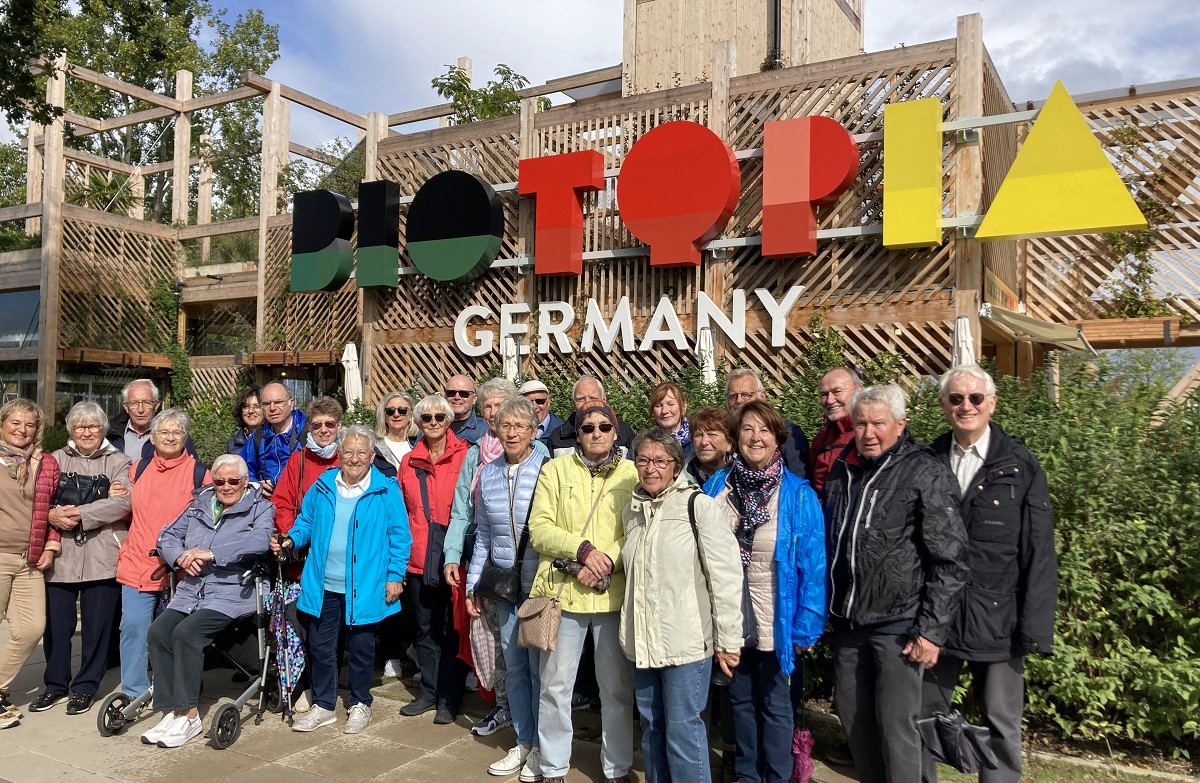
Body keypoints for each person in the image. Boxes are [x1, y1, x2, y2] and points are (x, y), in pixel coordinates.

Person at [824, 384, 968, 783]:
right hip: (850, 624)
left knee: (897, 729)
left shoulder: (924, 471)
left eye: (878, 424)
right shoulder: (844, 468)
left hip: (899, 625)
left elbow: (951, 559)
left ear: (901, 424)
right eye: (861, 423)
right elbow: (831, 543)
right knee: (854, 721)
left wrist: (932, 631)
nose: (868, 433)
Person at [921, 366, 1057, 783]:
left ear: (992, 403)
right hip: (938, 618)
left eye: (975, 398)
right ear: (944, 404)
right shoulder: (929, 459)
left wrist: (1033, 628)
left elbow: (1038, 549)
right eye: (957, 398)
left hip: (999, 617)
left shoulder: (1019, 466)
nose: (967, 406)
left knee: (1001, 725)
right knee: (923, 717)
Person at [704, 400, 827, 783]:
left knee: (776, 708)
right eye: (747, 429)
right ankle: (746, 777)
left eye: (764, 431)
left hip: (778, 618)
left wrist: (806, 626)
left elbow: (813, 564)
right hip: (731, 620)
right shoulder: (716, 487)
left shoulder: (798, 494)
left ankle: (777, 776)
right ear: (735, 438)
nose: (755, 438)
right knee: (739, 704)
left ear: (777, 440)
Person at [622, 429, 744, 783]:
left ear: (676, 467)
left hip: (686, 644)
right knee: (652, 729)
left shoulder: (698, 506)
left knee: (683, 734)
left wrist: (728, 639)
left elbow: (724, 577)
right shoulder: (633, 510)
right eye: (643, 460)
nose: (650, 469)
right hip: (642, 644)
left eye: (660, 461)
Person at [273, 426, 411, 735]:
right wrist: (291, 540)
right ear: (340, 454)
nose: (354, 458)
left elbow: (400, 538)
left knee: (361, 650)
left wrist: (395, 576)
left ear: (372, 457)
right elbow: (305, 522)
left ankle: (360, 703)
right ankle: (323, 706)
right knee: (321, 648)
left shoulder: (386, 490)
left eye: (362, 452)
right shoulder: (324, 484)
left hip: (365, 585)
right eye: (348, 452)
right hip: (324, 584)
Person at [528, 404, 639, 783]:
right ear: (577, 432)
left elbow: (637, 530)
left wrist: (606, 558)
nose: (596, 432)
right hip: (565, 594)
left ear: (615, 429)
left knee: (616, 691)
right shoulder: (554, 470)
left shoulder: (633, 473)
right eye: (587, 426)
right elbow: (540, 528)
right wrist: (584, 551)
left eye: (604, 426)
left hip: (612, 595)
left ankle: (617, 766)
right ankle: (554, 765)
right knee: (555, 687)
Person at [138, 454, 275, 748]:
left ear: (244, 480)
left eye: (233, 481)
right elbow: (167, 535)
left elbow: (260, 542)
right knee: (159, 632)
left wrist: (211, 554)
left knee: (187, 634)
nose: (226, 486)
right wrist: (180, 557)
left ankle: (189, 715)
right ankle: (171, 710)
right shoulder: (199, 503)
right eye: (220, 481)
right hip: (192, 590)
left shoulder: (259, 508)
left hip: (233, 591)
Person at [445, 377, 549, 737]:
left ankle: (542, 747)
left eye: (521, 426)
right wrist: (474, 585)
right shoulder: (486, 472)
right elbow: (485, 536)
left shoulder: (547, 469)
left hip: (540, 584)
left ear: (534, 431)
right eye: (506, 425)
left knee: (541, 670)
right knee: (515, 665)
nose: (513, 432)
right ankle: (522, 738)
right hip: (504, 585)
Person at [32, 402, 132, 717]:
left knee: (97, 628)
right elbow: (38, 500)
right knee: (57, 627)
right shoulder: (53, 460)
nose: (86, 432)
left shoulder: (120, 461)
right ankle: (55, 685)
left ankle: (86, 687)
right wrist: (51, 514)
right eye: (79, 427)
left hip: (103, 554)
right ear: (71, 430)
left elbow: (123, 503)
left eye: (92, 426)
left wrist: (76, 514)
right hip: (60, 555)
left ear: (103, 429)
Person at [115, 409, 210, 702]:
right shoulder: (138, 469)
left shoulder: (200, 474)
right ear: (153, 437)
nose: (170, 437)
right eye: (164, 432)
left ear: (185, 437)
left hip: (181, 567)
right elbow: (125, 507)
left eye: (177, 432)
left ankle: (178, 686)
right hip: (138, 560)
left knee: (176, 631)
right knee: (133, 626)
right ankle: (134, 690)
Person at [398, 394, 470, 724]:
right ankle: (428, 690)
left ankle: (448, 697)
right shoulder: (409, 462)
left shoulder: (466, 456)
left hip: (453, 558)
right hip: (418, 557)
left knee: (451, 629)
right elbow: (401, 513)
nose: (433, 423)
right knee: (424, 629)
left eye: (440, 417)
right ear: (418, 422)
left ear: (450, 419)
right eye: (426, 418)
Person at [0, 399, 61, 729]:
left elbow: (53, 508)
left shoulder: (46, 463)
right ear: (2, 423)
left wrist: (51, 546)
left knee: (30, 628)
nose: (22, 430)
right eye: (15, 423)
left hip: (29, 559)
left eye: (29, 424)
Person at [724, 368, 810, 479]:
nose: (739, 400)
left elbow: (800, 479)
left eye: (746, 395)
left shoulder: (786, 432)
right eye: (732, 396)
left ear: (762, 396)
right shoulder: (725, 434)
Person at [241, 381, 307, 497]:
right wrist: (255, 486)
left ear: (291, 404)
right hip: (268, 505)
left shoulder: (308, 433)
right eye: (266, 404)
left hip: (300, 505)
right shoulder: (258, 437)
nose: (272, 408)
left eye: (278, 402)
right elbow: (242, 470)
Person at [545, 376, 635, 458]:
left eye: (593, 398)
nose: (587, 403)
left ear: (604, 400)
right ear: (573, 404)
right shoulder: (557, 437)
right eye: (580, 399)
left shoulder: (624, 432)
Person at [808, 367, 862, 495]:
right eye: (824, 394)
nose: (830, 400)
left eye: (837, 391)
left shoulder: (868, 433)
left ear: (858, 391)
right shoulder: (822, 438)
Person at [106, 379, 161, 460]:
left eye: (146, 402)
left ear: (156, 406)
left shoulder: (174, 436)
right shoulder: (110, 434)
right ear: (126, 407)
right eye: (134, 403)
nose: (140, 410)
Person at [684, 406, 733, 487]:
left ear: (729, 443)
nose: (704, 442)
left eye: (712, 434)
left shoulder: (743, 477)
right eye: (698, 435)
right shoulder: (680, 480)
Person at [372, 391, 416, 478]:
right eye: (390, 411)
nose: (396, 415)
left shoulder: (420, 444)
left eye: (402, 410)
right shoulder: (374, 447)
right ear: (384, 416)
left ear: (411, 415)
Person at [649, 382, 692, 460]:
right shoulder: (645, 443)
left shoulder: (698, 439)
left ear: (683, 407)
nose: (664, 411)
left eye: (670, 404)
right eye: (658, 406)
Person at [445, 374, 487, 445]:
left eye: (463, 393)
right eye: (451, 393)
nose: (457, 397)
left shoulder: (485, 429)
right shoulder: (431, 428)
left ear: (474, 399)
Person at [520, 379, 563, 446]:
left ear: (548, 402)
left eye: (540, 401)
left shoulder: (562, 431)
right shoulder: (513, 431)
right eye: (528, 402)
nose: (534, 407)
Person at [227, 386, 264, 455]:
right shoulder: (233, 444)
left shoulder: (274, 439)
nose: (250, 411)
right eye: (246, 407)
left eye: (256, 406)